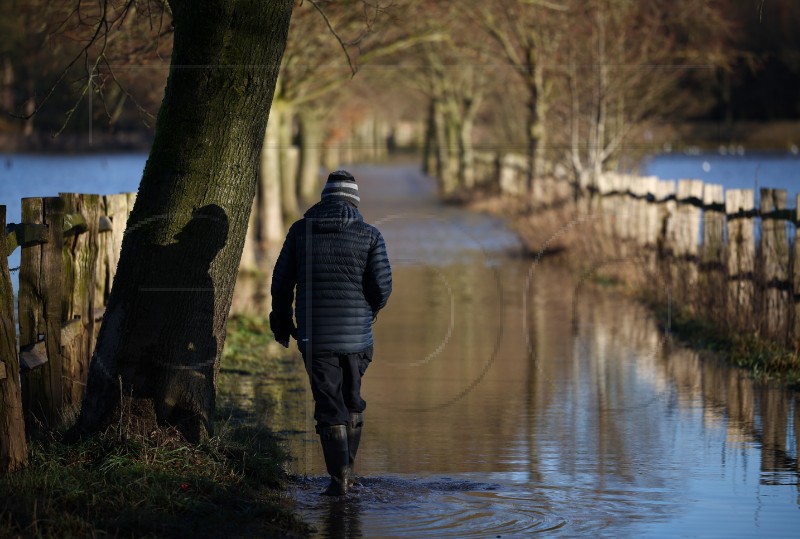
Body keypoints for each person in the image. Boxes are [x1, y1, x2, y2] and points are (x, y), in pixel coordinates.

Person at [269, 170, 392, 496]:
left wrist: (281, 324)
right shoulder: (370, 235)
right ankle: (347, 476)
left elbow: (281, 284)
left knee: (329, 405)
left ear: (323, 199)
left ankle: (340, 481)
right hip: (358, 339)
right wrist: (371, 310)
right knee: (352, 400)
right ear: (354, 202)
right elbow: (382, 287)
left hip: (315, 338)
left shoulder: (300, 232)